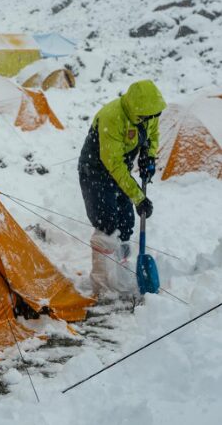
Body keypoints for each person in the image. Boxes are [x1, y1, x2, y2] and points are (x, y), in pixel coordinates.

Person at [78, 80, 166, 295]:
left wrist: (149, 156)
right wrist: (138, 197)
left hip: (120, 170)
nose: (151, 120)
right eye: (147, 117)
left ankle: (120, 271)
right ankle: (102, 285)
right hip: (96, 172)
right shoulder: (112, 117)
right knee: (106, 223)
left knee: (126, 223)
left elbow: (152, 136)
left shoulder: (149, 115)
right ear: (136, 110)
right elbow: (113, 164)